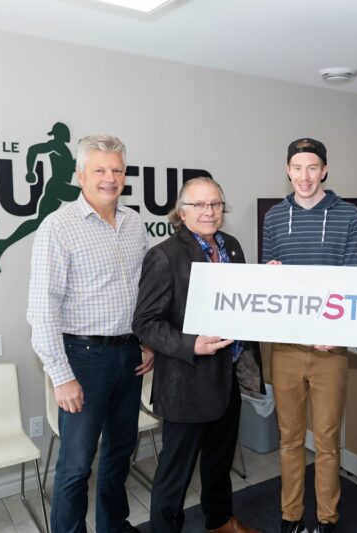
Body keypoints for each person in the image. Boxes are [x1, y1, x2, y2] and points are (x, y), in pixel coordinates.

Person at [27, 134, 150, 533]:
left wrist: (147, 340)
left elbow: (145, 288)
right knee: (77, 464)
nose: (109, 178)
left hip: (129, 354)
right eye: (99, 170)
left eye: (116, 170)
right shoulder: (58, 227)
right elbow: (41, 308)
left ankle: (114, 525)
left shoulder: (135, 224)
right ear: (80, 175)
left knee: (119, 453)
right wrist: (61, 376)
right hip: (82, 358)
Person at [133, 176, 263, 533]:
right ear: (182, 211)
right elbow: (144, 322)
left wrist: (266, 282)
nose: (209, 212)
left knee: (219, 463)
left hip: (228, 376)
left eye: (216, 204)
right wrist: (191, 343)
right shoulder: (164, 256)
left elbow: (242, 300)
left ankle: (220, 522)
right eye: (199, 205)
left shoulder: (232, 247)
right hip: (186, 383)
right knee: (176, 472)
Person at [262, 137, 357, 533]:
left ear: (324, 170)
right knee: (289, 440)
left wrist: (334, 330)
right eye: (297, 168)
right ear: (288, 170)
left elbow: (350, 278)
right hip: (285, 346)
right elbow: (272, 279)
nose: (304, 176)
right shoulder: (273, 217)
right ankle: (290, 517)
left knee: (325, 442)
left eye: (312, 168)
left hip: (329, 349)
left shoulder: (349, 216)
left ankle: (326, 519)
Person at [0, 122, 80, 272]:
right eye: (65, 132)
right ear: (60, 133)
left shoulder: (63, 149)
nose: (68, 134)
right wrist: (30, 171)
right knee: (90, 195)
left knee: (38, 222)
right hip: (58, 186)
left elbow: (66, 168)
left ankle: (4, 243)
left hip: (57, 189)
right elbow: (33, 150)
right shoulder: (56, 145)